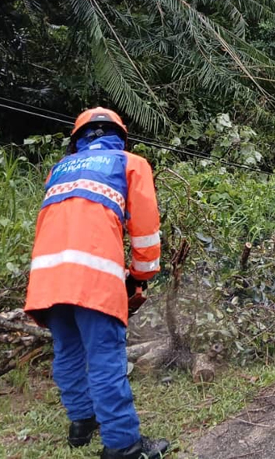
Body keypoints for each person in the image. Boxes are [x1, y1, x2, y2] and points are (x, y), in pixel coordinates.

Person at [23, 108, 169, 459]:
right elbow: (145, 229)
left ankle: (81, 424)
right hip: (93, 276)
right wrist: (141, 275)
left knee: (69, 351)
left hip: (46, 278)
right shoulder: (129, 163)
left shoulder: (57, 171)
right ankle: (123, 445)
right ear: (119, 136)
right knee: (105, 358)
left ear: (77, 140)